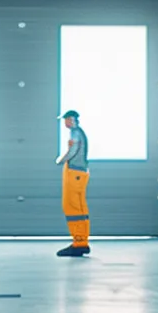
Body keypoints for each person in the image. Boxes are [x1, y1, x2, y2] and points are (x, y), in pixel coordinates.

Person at [56, 110, 91, 257]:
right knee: (80, 207)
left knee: (72, 206)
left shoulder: (75, 133)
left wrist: (61, 160)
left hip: (75, 173)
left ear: (72, 120)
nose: (64, 123)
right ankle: (82, 242)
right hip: (80, 173)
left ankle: (78, 243)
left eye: (66, 120)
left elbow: (73, 150)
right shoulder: (79, 132)